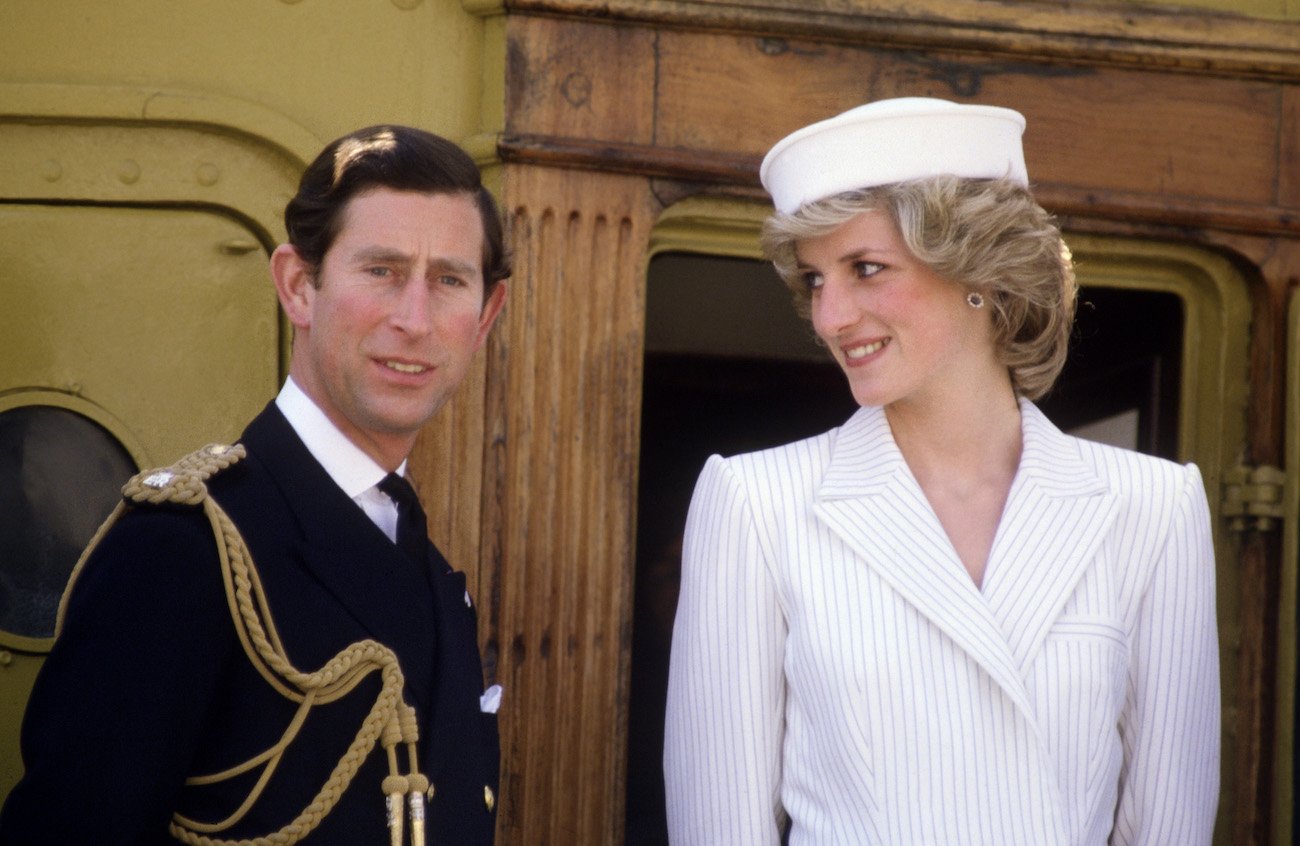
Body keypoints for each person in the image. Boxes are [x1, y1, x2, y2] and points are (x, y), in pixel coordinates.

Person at [663, 97, 1220, 845]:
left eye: (865, 269)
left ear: (979, 274)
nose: (830, 318)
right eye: (816, 280)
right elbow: (719, 827)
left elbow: (1169, 825)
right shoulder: (757, 502)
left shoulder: (1152, 508)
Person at [0, 125, 509, 844]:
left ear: (485, 316)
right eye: (382, 271)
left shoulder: (425, 565)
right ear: (299, 286)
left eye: (449, 280)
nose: (414, 319)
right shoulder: (181, 552)